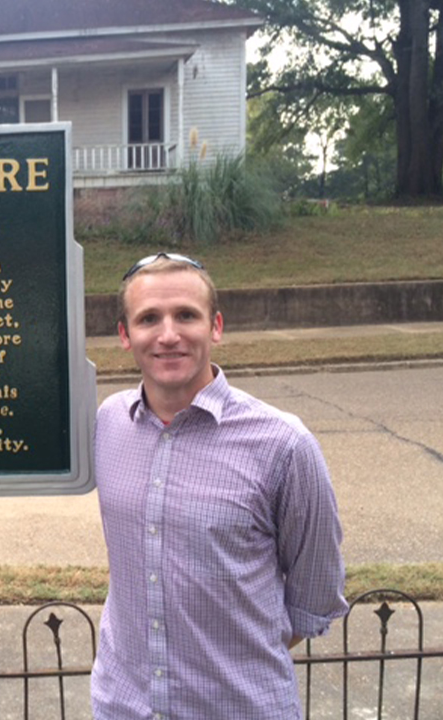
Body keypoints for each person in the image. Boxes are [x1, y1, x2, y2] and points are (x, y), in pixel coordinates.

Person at [91, 253, 347, 719]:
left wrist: (228, 659)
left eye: (186, 315)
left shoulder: (284, 446)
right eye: (149, 319)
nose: (169, 335)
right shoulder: (108, 423)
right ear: (125, 335)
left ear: (215, 327)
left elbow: (314, 594)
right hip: (123, 707)